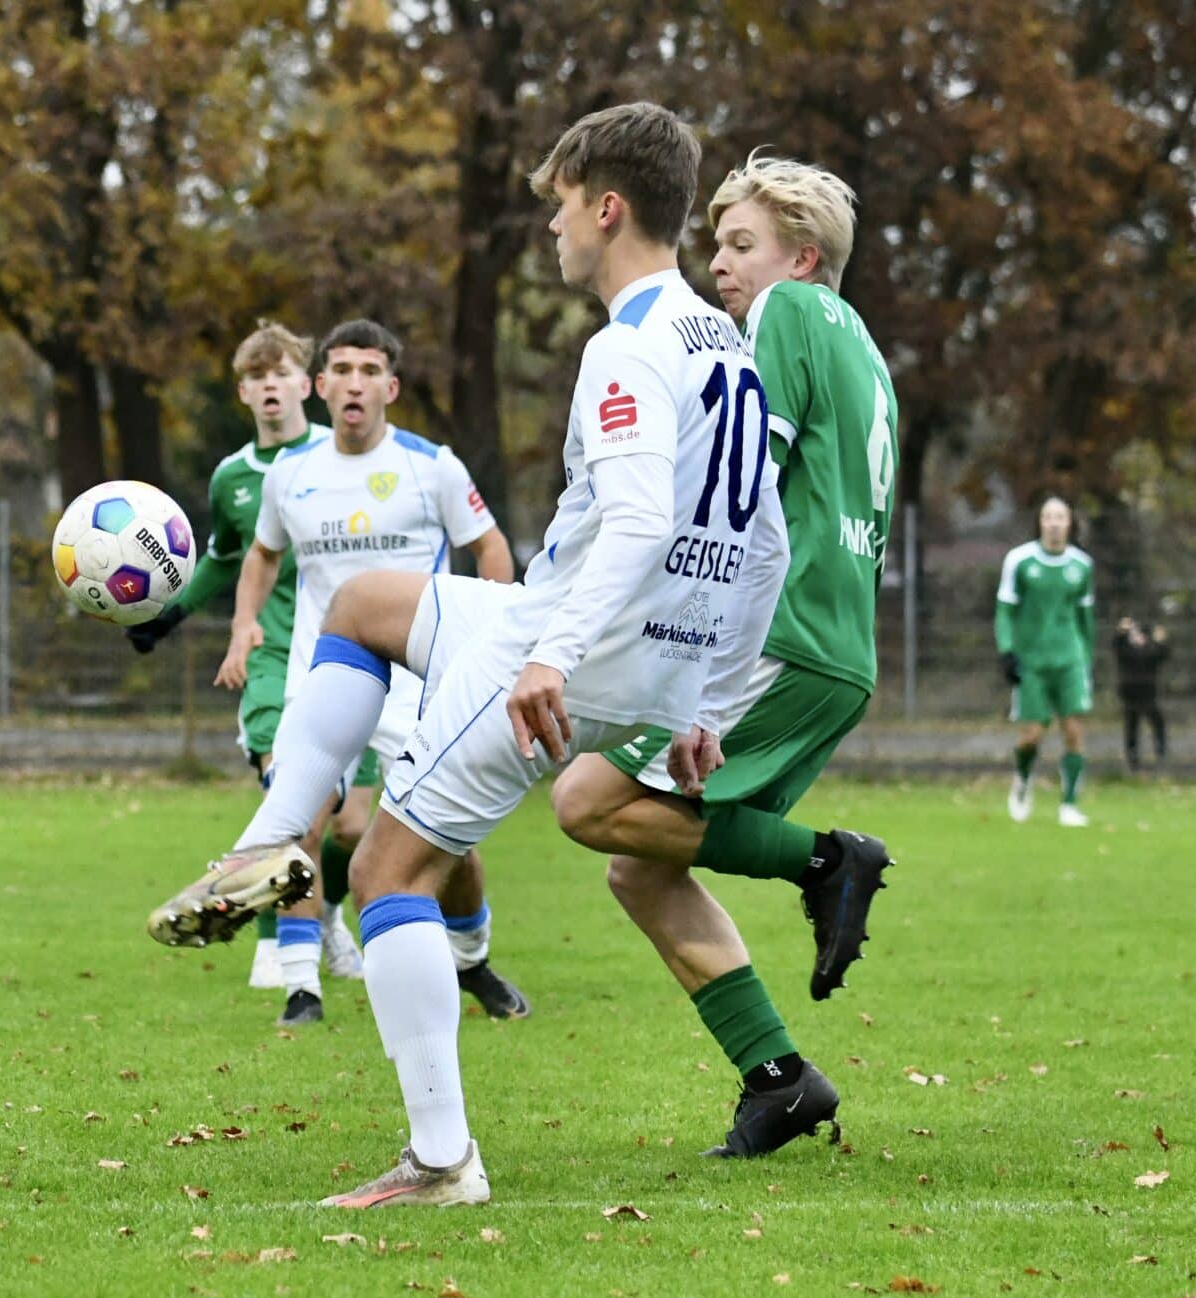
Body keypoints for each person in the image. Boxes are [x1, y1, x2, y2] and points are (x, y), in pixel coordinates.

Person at [146, 101, 786, 1206]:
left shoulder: (625, 346)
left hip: (570, 644)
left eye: (555, 209)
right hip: (636, 650)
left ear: (606, 207)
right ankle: (266, 843)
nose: (549, 233)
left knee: (393, 872)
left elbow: (636, 523)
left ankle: (441, 1161)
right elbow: (760, 538)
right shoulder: (721, 343)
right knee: (361, 604)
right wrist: (706, 703)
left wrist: (557, 660)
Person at [547, 150, 894, 1156]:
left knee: (586, 801)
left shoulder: (784, 316)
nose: (721, 264)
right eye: (716, 243)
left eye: (741, 244)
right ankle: (777, 1079)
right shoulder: (863, 347)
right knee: (639, 862)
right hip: (835, 644)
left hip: (779, 634)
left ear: (803, 255)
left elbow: (746, 489)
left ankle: (828, 860)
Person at [219, 317, 521, 1028]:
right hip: (318, 678)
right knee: (301, 818)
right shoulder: (290, 476)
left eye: (369, 369)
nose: (355, 382)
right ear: (320, 384)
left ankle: (471, 956)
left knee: (448, 839)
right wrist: (243, 622)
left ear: (391, 384)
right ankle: (301, 985)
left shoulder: (431, 466)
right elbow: (262, 554)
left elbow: (492, 547)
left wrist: (493, 644)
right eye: (342, 369)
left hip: (418, 686)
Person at [123, 321, 365, 995]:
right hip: (269, 653)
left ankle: (328, 914)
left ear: (305, 382)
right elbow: (225, 560)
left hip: (348, 654)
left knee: (351, 824)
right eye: (256, 376)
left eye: (281, 372)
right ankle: (274, 946)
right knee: (288, 796)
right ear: (243, 390)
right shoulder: (233, 475)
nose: (269, 386)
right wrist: (167, 617)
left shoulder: (339, 455)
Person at [996, 497, 1095, 826]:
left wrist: (1087, 662)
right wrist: (1007, 650)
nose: (1054, 522)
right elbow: (1005, 611)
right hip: (1032, 661)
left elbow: (1085, 618)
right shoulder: (1020, 561)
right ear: (1040, 522)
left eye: (1060, 517)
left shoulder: (1082, 566)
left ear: (1069, 523)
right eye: (1048, 516)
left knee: (1073, 730)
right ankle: (1023, 781)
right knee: (1031, 736)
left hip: (1070, 659)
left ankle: (1069, 804)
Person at [1112, 616, 1169, 771]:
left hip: (1148, 695)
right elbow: (1117, 647)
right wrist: (1121, 633)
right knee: (1132, 727)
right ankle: (1133, 760)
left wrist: (1160, 641)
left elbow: (1162, 654)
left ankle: (1161, 754)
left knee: (1157, 723)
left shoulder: (1149, 651)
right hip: (1131, 695)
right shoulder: (1127, 652)